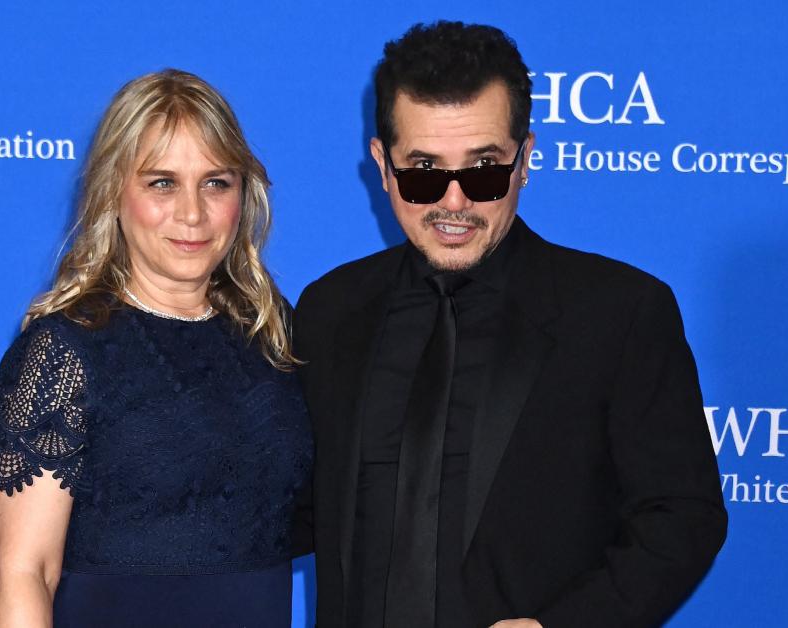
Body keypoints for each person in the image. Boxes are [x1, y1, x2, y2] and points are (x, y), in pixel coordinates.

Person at [294, 22, 727, 628]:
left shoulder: (619, 312)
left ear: (524, 159)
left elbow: (682, 514)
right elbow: (292, 504)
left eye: (484, 168)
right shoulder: (330, 309)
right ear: (382, 166)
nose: (453, 201)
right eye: (423, 169)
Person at [0, 69, 312, 627]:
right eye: (162, 182)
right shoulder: (63, 349)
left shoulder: (271, 330)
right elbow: (26, 572)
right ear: (114, 191)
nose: (192, 213)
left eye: (216, 182)